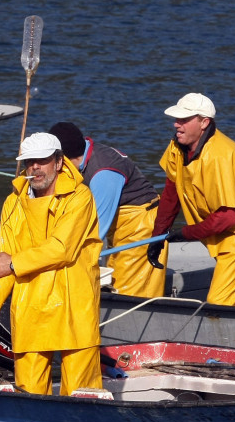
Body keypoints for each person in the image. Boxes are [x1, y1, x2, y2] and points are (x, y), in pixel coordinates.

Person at [0, 132, 103, 396]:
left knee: (82, 392)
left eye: (42, 161)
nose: (35, 167)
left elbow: (61, 249)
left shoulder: (80, 197)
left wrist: (13, 264)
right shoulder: (13, 203)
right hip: (30, 304)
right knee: (28, 392)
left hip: (73, 304)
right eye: (30, 161)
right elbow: (3, 259)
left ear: (58, 162)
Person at [148, 93, 235, 307]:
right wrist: (158, 236)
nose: (177, 124)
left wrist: (186, 233)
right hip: (222, 238)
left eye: (184, 120)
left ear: (204, 122)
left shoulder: (221, 155)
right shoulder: (177, 146)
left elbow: (227, 218)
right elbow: (171, 192)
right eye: (176, 119)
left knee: (219, 304)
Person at [49, 121, 166, 298]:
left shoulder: (103, 173)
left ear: (63, 159)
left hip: (141, 226)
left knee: (127, 290)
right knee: (115, 274)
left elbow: (96, 229)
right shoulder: (87, 154)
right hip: (121, 225)